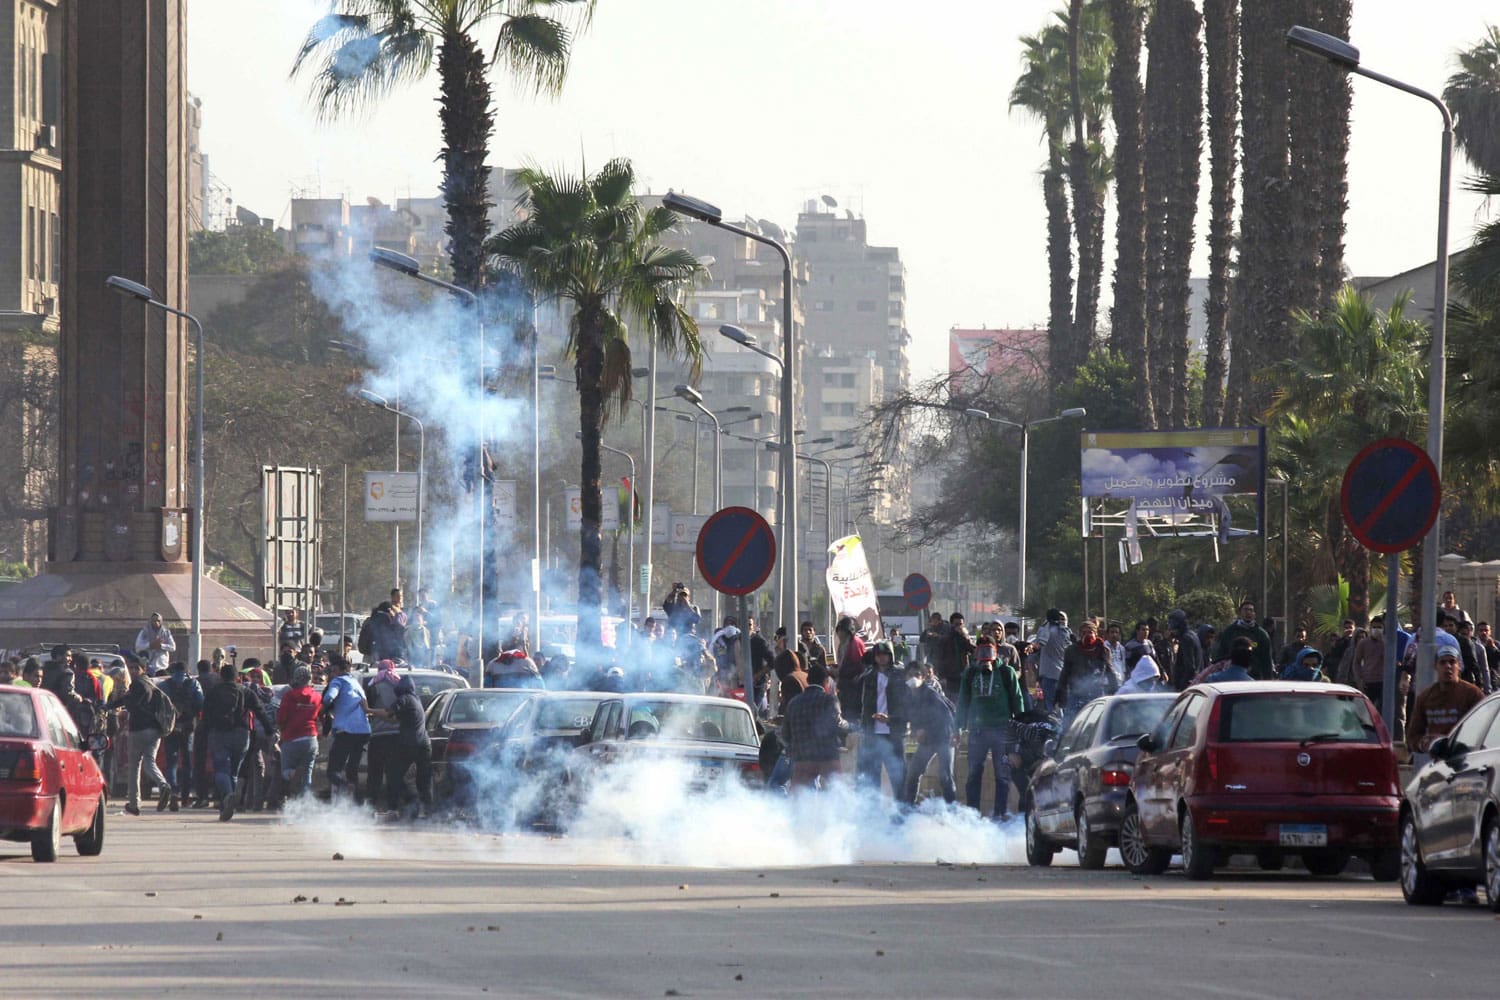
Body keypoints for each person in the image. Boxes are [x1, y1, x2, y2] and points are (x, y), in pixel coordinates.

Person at [957, 636, 1023, 819]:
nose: (985, 658)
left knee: (1002, 776)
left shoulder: (1006, 672)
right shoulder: (970, 673)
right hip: (977, 731)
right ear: (976, 654)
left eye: (989, 652)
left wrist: (1020, 729)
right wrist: (957, 728)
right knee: (973, 775)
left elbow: (1018, 700)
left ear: (996, 652)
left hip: (1002, 730)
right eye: (981, 652)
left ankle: (1000, 815)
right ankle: (972, 816)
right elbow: (962, 702)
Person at [107, 656, 173, 815]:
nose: (134, 671)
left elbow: (129, 702)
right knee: (150, 761)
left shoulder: (137, 685)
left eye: (137, 668)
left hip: (139, 729)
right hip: (155, 730)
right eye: (131, 668)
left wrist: (110, 705)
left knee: (135, 765)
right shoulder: (152, 683)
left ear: (143, 669)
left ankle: (134, 802)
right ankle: (163, 785)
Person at [1407, 634, 1484, 764]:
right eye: (1443, 662)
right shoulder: (1426, 697)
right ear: (1435, 666)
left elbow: (1484, 727)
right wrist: (1424, 744)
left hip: (1467, 760)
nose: (1448, 666)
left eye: (1452, 662)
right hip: (1439, 763)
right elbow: (1413, 736)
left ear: (1459, 666)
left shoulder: (1472, 694)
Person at [782, 668, 849, 790]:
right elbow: (839, 725)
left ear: (807, 680)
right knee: (841, 794)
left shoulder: (794, 703)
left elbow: (785, 734)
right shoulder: (829, 700)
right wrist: (850, 726)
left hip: (803, 758)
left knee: (798, 798)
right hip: (827, 757)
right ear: (826, 681)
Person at [855, 642, 907, 797]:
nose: (882, 658)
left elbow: (907, 705)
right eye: (878, 654)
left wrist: (891, 719)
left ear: (891, 655)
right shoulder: (868, 675)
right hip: (872, 732)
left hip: (893, 732)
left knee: (898, 776)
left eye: (885, 654)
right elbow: (861, 702)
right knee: (871, 778)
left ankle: (902, 815)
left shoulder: (900, 674)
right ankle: (873, 815)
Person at [902, 662, 957, 805]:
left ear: (924, 677)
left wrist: (926, 730)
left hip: (944, 737)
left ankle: (952, 812)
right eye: (910, 675)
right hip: (928, 741)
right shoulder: (909, 696)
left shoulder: (930, 693)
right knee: (913, 773)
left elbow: (947, 716)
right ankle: (908, 809)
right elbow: (910, 718)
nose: (913, 678)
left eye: (917, 675)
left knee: (945, 777)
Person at [200, 663, 251, 812]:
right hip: (241, 734)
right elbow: (258, 709)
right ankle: (231, 802)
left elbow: (205, 714)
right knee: (234, 771)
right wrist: (268, 730)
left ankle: (228, 796)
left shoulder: (213, 692)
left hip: (219, 733)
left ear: (221, 676)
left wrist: (204, 730)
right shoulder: (245, 691)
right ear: (237, 677)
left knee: (221, 769)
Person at [322, 655, 371, 801]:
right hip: (364, 731)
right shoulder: (355, 683)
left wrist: (324, 708)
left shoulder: (338, 681)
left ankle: (345, 788)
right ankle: (357, 804)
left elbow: (329, 697)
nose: (331, 673)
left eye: (332, 670)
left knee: (332, 771)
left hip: (347, 731)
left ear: (336, 669)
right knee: (352, 770)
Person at [158, 660, 203, 811]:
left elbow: (158, 704)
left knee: (171, 762)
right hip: (188, 726)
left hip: (171, 726)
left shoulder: (164, 685)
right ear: (186, 671)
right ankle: (185, 796)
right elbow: (200, 703)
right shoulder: (194, 684)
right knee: (187, 762)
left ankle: (173, 792)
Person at [1054, 619, 1120, 718]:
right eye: (1084, 632)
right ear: (1080, 634)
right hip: (1076, 695)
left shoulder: (1103, 650)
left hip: (1096, 695)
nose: (1087, 635)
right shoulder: (1072, 650)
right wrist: (1060, 694)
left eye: (1090, 632)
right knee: (1070, 725)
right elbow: (1065, 674)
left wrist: (1115, 693)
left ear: (1096, 634)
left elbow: (1110, 673)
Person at [276, 665, 321, 800]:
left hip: (291, 739)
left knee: (285, 771)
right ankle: (304, 804)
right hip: (311, 738)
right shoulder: (317, 697)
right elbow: (320, 716)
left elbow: (281, 718)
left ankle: (293, 774)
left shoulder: (289, 696)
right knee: (307, 773)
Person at [364, 659, 402, 811]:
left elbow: (367, 708)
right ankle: (394, 807)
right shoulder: (399, 684)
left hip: (378, 735)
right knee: (393, 774)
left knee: (375, 774)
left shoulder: (373, 685)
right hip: (397, 735)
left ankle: (371, 808)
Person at [1345, 614, 1388, 712]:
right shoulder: (1364, 643)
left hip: (1384, 681)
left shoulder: (1388, 643)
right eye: (1374, 627)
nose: (1377, 629)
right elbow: (1356, 662)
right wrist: (1359, 679)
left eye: (1379, 627)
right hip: (1368, 681)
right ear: (1370, 628)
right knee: (1366, 710)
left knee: (1382, 709)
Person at [1033, 609, 1072, 706]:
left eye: (1063, 619)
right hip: (1055, 675)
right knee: (1059, 705)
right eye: (1060, 619)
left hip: (1054, 675)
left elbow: (1038, 644)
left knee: (1053, 705)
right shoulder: (1066, 633)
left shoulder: (1045, 630)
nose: (1061, 621)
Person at [834, 617, 866, 719]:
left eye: (842, 630)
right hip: (844, 685)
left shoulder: (855, 643)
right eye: (838, 630)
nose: (839, 633)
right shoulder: (842, 644)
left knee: (851, 715)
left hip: (853, 686)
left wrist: (840, 672)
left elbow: (858, 665)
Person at [942, 613, 976, 700]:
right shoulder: (946, 638)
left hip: (963, 673)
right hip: (950, 676)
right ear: (951, 624)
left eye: (960, 624)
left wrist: (965, 637)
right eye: (956, 624)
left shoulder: (964, 638)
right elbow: (940, 657)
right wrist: (941, 675)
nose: (958, 626)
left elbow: (974, 650)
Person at [1166, 609, 1203, 690]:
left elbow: (1190, 667)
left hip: (1187, 687)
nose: (1172, 632)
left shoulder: (1186, 639)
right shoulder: (1192, 635)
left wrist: (1182, 688)